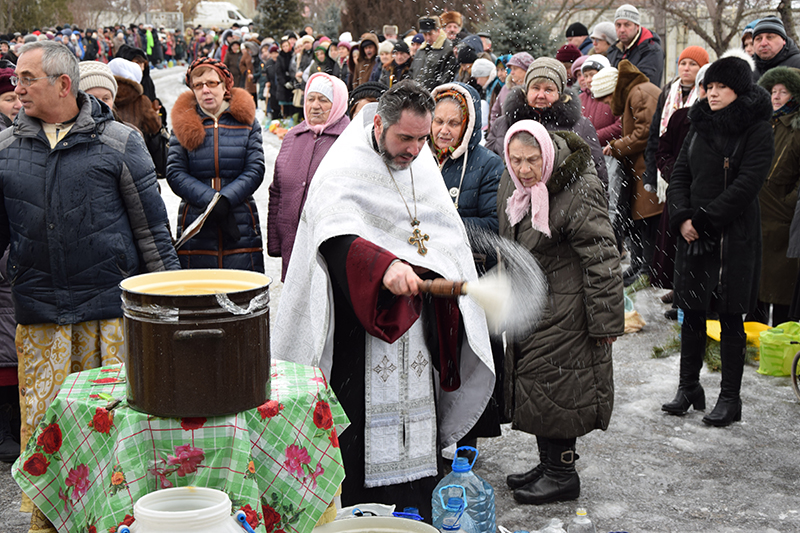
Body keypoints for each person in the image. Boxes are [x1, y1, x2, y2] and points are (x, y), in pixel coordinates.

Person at [272, 80, 494, 518]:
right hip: (358, 332)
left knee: (417, 434)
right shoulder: (344, 167)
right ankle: (360, 516)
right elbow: (334, 236)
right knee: (357, 438)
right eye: (405, 138)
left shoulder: (422, 166)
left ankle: (416, 510)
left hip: (417, 333)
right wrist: (382, 266)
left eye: (422, 139)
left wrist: (433, 270)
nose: (415, 149)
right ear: (378, 125)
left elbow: (444, 237)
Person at [1, 40, 179, 529]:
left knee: (111, 432)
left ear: (63, 84)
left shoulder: (120, 142)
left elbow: (153, 234)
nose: (18, 88)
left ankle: (116, 521)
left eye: (26, 79)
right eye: (16, 80)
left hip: (109, 319)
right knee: (47, 433)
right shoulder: (6, 149)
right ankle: (50, 524)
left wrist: (173, 313)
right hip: (41, 321)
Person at [498, 120, 622, 505]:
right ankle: (548, 463)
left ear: (548, 156)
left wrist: (605, 321)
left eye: (532, 160)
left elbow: (602, 257)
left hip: (569, 309)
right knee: (539, 387)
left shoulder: (578, 188)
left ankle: (562, 474)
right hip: (533, 305)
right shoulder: (513, 185)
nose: (523, 169)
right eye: (516, 160)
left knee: (560, 387)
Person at [663, 55, 773, 427]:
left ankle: (730, 398)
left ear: (738, 90)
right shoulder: (699, 123)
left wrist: (705, 220)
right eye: (709, 87)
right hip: (693, 232)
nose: (712, 93)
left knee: (730, 315)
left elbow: (748, 183)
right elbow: (680, 173)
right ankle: (688, 387)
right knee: (692, 310)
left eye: (721, 87)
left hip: (732, 236)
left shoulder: (757, 128)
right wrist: (681, 217)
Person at [167, 58, 265, 271]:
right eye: (198, 85)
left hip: (239, 218)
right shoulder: (183, 122)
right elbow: (175, 172)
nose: (205, 90)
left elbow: (255, 168)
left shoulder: (247, 122)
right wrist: (211, 202)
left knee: (241, 285)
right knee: (199, 287)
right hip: (196, 220)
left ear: (225, 86)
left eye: (212, 83)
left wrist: (226, 200)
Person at [268, 72, 350, 281]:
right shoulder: (293, 136)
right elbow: (277, 190)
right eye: (310, 99)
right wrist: (276, 242)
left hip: (330, 245)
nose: (315, 106)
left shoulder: (349, 140)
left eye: (323, 100)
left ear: (338, 104)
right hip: (292, 243)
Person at [643, 46, 709, 301]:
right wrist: (663, 171)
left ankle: (687, 290)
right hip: (671, 176)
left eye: (693, 64)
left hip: (697, 179)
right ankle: (676, 286)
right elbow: (657, 136)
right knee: (671, 236)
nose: (686, 68)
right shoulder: (668, 93)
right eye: (683, 63)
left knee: (690, 235)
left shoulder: (704, 105)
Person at [486, 57, 608, 186]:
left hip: (565, 198)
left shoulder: (580, 126)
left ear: (560, 93)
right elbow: (489, 170)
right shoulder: (503, 124)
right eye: (535, 88)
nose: (541, 95)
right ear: (526, 90)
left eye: (548, 90)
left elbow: (598, 173)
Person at [595, 60, 662, 288]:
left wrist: (617, 146)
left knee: (647, 220)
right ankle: (639, 265)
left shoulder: (639, 93)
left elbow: (645, 132)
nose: (607, 105)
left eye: (606, 99)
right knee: (637, 219)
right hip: (640, 167)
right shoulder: (635, 93)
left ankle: (647, 270)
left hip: (647, 168)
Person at [750, 66, 800, 326]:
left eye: (784, 91)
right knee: (756, 280)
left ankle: (780, 336)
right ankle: (753, 334)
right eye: (773, 91)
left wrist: (789, 202)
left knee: (781, 284)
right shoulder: (763, 123)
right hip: (758, 210)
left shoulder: (796, 128)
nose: (777, 96)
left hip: (783, 216)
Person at [606, 4, 664, 85]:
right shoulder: (614, 50)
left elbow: (644, 84)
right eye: (618, 25)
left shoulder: (651, 51)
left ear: (637, 26)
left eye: (627, 25)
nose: (622, 30)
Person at [409, 15, 458, 91]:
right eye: (425, 34)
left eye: (430, 34)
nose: (428, 38)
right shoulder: (421, 50)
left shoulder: (448, 50)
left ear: (438, 31)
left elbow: (445, 79)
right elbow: (412, 73)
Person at [751, 16, 800, 80]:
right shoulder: (748, 68)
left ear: (783, 40)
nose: (763, 43)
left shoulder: (797, 64)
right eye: (758, 39)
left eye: (770, 37)